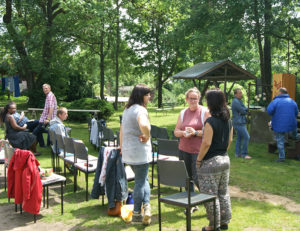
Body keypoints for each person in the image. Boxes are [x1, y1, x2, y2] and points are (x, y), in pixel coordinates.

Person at [196, 89, 233, 231]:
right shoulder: (228, 120)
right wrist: (222, 152)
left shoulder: (210, 121)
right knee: (223, 192)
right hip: (225, 159)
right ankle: (224, 222)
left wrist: (199, 160)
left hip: (211, 162)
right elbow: (229, 140)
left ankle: (213, 225)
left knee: (210, 195)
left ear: (211, 103)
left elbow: (206, 143)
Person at [120, 84, 152, 225]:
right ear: (141, 96)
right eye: (147, 94)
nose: (149, 97)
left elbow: (121, 130)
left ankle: (147, 207)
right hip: (139, 152)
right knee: (140, 182)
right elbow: (144, 125)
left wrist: (122, 147)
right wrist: (147, 135)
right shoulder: (140, 110)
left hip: (128, 152)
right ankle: (137, 213)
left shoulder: (127, 109)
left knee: (143, 179)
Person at [174, 87, 210, 213]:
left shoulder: (204, 112)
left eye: (195, 98)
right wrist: (183, 133)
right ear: (186, 99)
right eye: (191, 98)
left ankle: (209, 202)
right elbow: (176, 131)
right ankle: (191, 204)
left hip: (198, 151)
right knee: (186, 178)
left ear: (199, 99)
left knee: (198, 177)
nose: (193, 101)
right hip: (183, 149)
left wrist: (195, 132)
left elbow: (208, 132)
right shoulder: (183, 113)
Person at [267, 87, 299, 162]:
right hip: (292, 124)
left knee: (280, 140)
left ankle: (281, 158)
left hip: (279, 124)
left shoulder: (275, 101)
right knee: (295, 136)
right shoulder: (292, 101)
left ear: (280, 93)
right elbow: (296, 113)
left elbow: (269, 111)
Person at [231, 88, 251, 159]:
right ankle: (244, 154)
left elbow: (245, 109)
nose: (241, 94)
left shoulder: (239, 101)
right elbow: (243, 111)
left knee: (239, 138)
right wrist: (244, 111)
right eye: (239, 93)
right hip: (238, 122)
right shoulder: (236, 101)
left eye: (241, 93)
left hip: (240, 121)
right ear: (235, 94)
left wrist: (244, 110)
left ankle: (237, 153)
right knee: (247, 137)